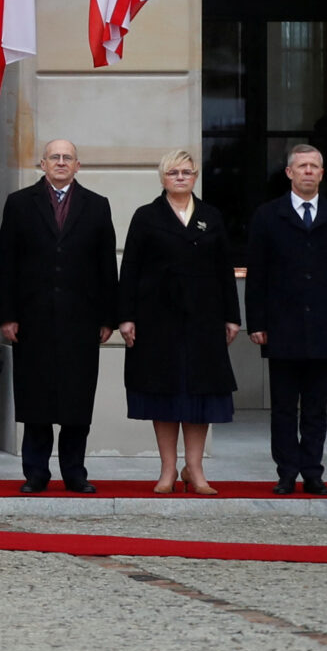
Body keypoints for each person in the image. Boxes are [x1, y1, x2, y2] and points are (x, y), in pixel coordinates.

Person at [0, 138, 118, 494]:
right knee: (36, 399)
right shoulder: (19, 204)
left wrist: (108, 316)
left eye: (68, 158)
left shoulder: (97, 205)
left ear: (78, 165)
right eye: (55, 157)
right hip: (32, 319)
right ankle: (35, 473)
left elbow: (107, 265)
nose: (61, 162)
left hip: (82, 319)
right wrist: (7, 315)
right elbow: (7, 265)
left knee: (77, 400)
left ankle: (75, 473)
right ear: (42, 164)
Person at [117, 148, 240, 495]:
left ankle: (195, 470)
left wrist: (232, 316)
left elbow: (224, 270)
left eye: (187, 172)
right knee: (164, 395)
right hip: (157, 320)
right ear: (163, 178)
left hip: (204, 319)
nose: (181, 178)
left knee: (200, 396)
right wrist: (125, 317)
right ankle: (168, 470)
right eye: (174, 173)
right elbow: (130, 270)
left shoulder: (211, 216)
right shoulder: (146, 216)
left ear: (196, 176)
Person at [245, 143, 327, 495]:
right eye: (302, 166)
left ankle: (312, 471)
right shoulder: (267, 215)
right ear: (289, 173)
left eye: (314, 166)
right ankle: (286, 472)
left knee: (315, 409)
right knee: (283, 408)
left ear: (322, 174)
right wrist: (257, 322)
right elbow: (258, 275)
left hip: (325, 326)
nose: (308, 171)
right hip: (281, 326)